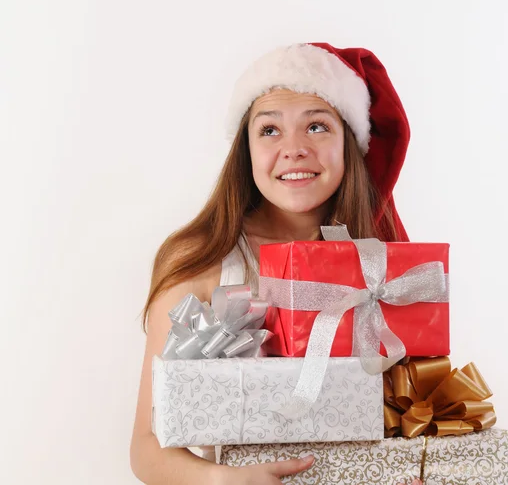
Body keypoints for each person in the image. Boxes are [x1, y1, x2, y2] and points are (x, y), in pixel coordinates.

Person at [129, 42, 422, 485]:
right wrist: (225, 480)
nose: (294, 149)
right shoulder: (202, 258)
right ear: (245, 149)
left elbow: (411, 411)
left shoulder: (379, 267)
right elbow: (147, 448)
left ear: (349, 146)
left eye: (317, 127)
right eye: (270, 130)